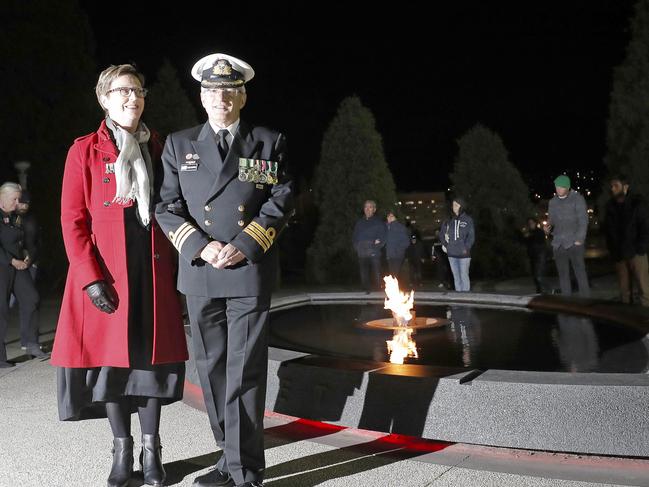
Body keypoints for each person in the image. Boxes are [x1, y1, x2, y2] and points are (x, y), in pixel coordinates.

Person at [155, 53, 293, 487]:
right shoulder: (179, 144)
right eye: (213, 91)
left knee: (245, 368)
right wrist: (204, 246)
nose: (221, 98)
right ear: (202, 96)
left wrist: (244, 244)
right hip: (201, 269)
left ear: (242, 95)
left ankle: (245, 469)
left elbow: (281, 199)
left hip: (247, 270)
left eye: (229, 90)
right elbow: (167, 206)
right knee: (212, 367)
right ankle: (227, 455)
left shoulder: (268, 141)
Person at [50, 64, 188, 487]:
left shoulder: (162, 147)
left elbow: (176, 209)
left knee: (152, 366)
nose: (133, 98)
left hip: (153, 276)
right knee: (112, 368)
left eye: (139, 91)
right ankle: (121, 450)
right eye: (123, 91)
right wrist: (90, 278)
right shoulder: (84, 151)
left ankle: (152, 452)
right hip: (109, 280)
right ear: (103, 98)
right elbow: (72, 221)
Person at [0, 182, 44, 367]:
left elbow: (28, 241)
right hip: (3, 265)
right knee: (1, 309)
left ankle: (31, 343)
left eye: (19, 199)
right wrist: (11, 260)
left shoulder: (16, 217)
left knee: (31, 298)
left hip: (19, 266)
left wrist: (28, 257)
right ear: (2, 198)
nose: (18, 202)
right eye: (14, 199)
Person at [603, 174, 649, 306]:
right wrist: (612, 250)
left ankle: (644, 320)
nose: (612, 189)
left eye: (616, 186)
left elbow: (645, 228)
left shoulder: (637, 204)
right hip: (619, 255)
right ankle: (627, 319)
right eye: (611, 186)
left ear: (625, 187)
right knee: (624, 292)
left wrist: (640, 248)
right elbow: (608, 231)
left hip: (636, 254)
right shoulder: (610, 207)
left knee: (644, 290)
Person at [543, 175, 590, 297]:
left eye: (561, 187)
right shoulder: (553, 202)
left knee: (580, 273)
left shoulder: (577, 199)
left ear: (567, 187)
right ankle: (567, 303)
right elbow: (551, 221)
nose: (558, 189)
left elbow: (583, 220)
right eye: (556, 186)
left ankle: (586, 303)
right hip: (559, 244)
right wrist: (548, 228)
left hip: (574, 242)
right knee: (563, 275)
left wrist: (579, 239)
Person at [441, 197, 475, 291]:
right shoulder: (448, 220)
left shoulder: (468, 220)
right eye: (453, 205)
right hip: (451, 254)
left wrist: (466, 248)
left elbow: (471, 236)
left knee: (464, 276)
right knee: (456, 277)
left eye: (456, 205)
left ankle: (466, 299)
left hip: (464, 254)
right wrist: (446, 245)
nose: (454, 207)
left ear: (461, 206)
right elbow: (442, 234)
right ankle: (459, 300)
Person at [352, 200, 386, 292]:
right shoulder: (359, 223)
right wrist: (357, 247)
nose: (367, 209)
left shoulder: (378, 222)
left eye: (370, 207)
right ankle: (365, 292)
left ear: (374, 209)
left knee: (377, 274)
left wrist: (375, 247)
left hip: (374, 252)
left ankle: (379, 293)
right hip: (361, 252)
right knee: (364, 274)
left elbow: (382, 238)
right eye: (366, 207)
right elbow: (354, 237)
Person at [522, 217, 548, 294]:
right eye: (529, 223)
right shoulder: (528, 233)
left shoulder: (539, 232)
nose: (530, 225)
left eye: (532, 223)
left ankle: (543, 289)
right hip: (532, 255)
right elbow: (525, 243)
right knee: (535, 273)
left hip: (540, 254)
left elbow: (540, 241)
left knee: (538, 273)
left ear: (535, 223)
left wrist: (529, 237)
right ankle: (540, 289)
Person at [384, 210, 410, 278]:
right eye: (388, 216)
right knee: (391, 275)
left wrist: (398, 250)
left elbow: (406, 242)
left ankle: (395, 288)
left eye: (391, 216)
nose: (389, 218)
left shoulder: (400, 227)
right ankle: (393, 287)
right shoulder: (385, 227)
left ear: (396, 218)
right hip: (389, 255)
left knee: (394, 274)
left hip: (397, 255)